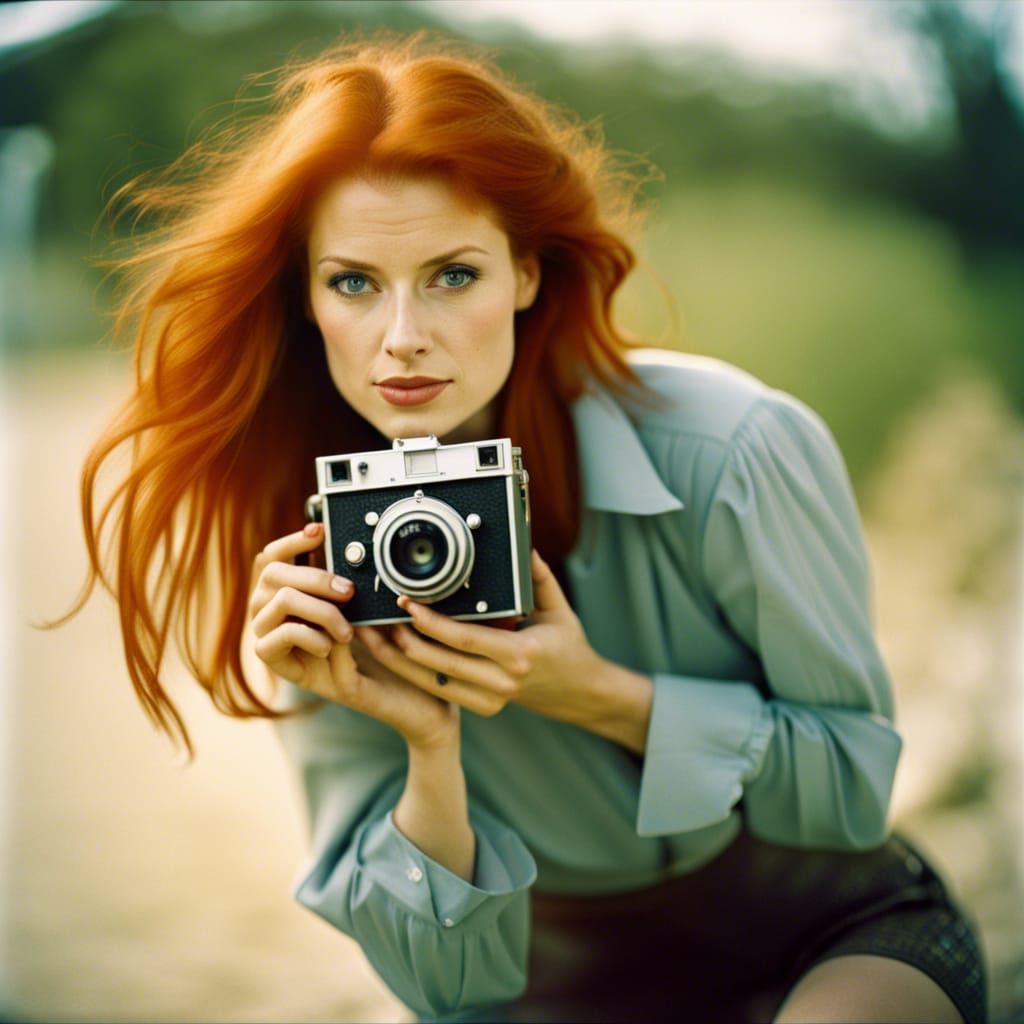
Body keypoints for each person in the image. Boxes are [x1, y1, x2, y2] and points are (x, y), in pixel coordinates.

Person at [73, 34, 986, 1024]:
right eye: (354, 282)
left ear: (526, 270)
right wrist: (428, 744)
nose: (402, 338)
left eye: (452, 275)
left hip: (826, 929)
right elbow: (443, 984)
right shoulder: (315, 538)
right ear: (307, 299)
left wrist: (600, 696)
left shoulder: (730, 449)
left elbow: (851, 790)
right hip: (547, 987)